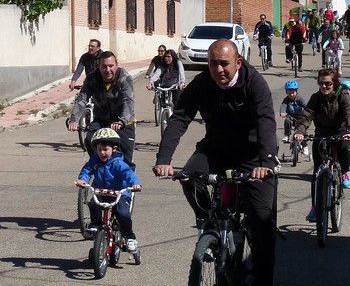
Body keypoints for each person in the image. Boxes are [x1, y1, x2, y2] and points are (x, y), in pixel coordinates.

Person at [153, 39, 277, 286]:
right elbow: (180, 118)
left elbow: (265, 121)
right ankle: (209, 221)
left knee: (262, 222)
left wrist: (266, 162)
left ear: (238, 62)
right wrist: (164, 159)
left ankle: (263, 279)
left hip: (252, 155)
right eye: (212, 64)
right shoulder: (202, 83)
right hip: (216, 149)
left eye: (224, 64)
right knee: (189, 177)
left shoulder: (254, 83)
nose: (218, 70)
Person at [294, 69, 350, 222]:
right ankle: (315, 207)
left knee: (342, 146)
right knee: (316, 174)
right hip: (322, 132)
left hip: (341, 131)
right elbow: (308, 114)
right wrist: (300, 131)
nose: (324, 86)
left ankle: (345, 172)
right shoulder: (316, 98)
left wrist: (349, 130)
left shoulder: (343, 96)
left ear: (334, 83)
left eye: (327, 83)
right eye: (321, 83)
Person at [76, 128, 142, 253]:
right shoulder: (95, 161)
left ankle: (129, 237)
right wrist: (83, 180)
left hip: (119, 193)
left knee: (122, 213)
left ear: (114, 149)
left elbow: (128, 174)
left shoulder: (118, 163)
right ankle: (95, 225)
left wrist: (135, 184)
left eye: (105, 150)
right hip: (102, 191)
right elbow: (87, 170)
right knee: (93, 203)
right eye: (99, 150)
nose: (102, 153)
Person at [67, 51, 136, 170]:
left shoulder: (124, 78)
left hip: (123, 122)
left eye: (110, 66)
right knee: (90, 140)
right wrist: (74, 119)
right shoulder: (92, 78)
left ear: (116, 65)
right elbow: (82, 99)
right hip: (101, 119)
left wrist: (122, 121)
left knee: (126, 156)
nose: (107, 70)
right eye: (104, 66)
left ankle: (127, 184)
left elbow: (128, 102)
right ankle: (98, 169)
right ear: (99, 66)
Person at [279, 80, 309, 156]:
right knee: (287, 121)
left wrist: (307, 112)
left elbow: (306, 106)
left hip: (300, 117)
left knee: (304, 130)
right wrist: (282, 112)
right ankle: (287, 135)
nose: (291, 94)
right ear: (286, 92)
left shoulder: (299, 99)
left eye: (293, 92)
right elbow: (283, 106)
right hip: (291, 116)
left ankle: (305, 145)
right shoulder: (286, 100)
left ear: (296, 91)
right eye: (289, 93)